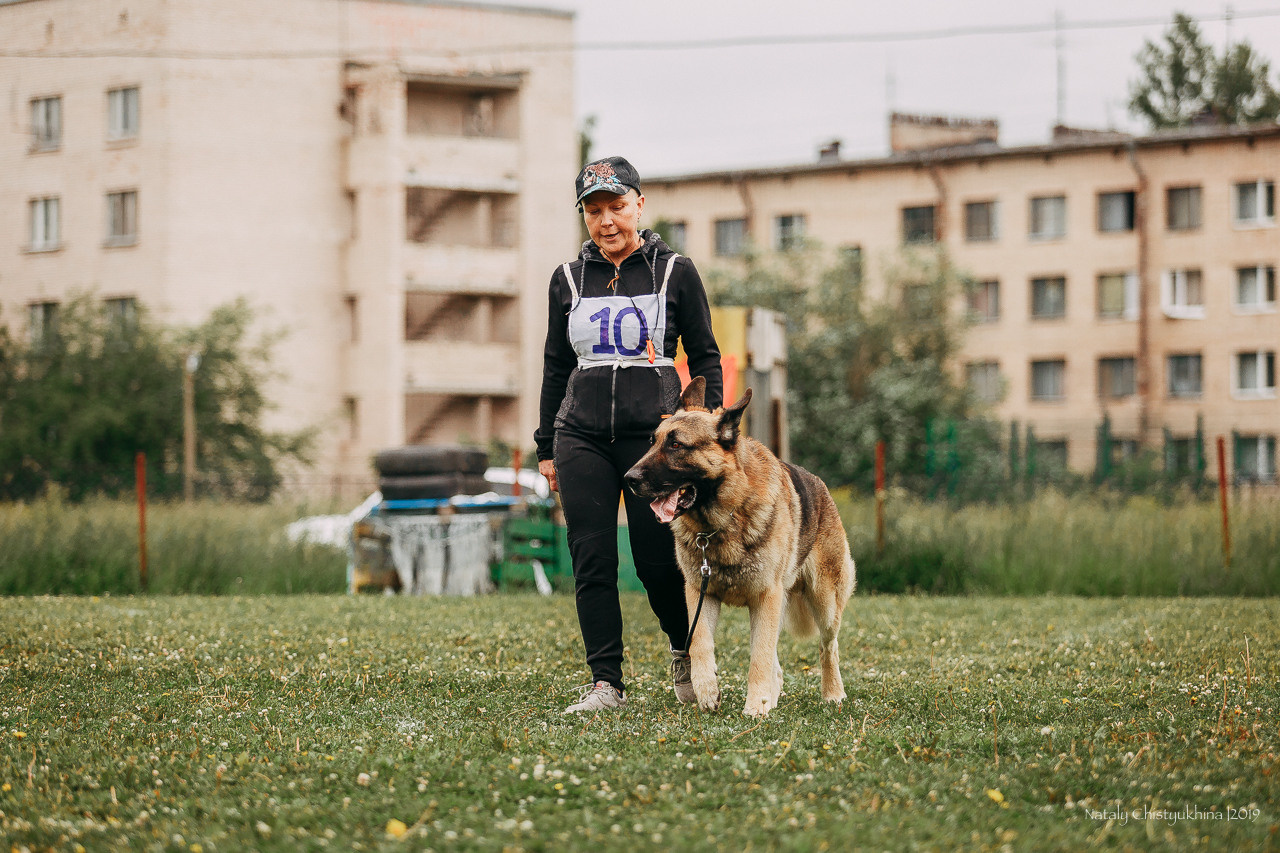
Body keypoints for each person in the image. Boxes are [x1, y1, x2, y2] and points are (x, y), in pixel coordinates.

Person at [535, 156, 723, 714]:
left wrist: (701, 434)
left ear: (639, 204)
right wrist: (547, 447)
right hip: (581, 437)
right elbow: (553, 367)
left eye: (617, 206)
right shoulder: (567, 280)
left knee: (656, 562)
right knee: (591, 559)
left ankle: (683, 649)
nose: (607, 220)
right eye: (594, 211)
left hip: (654, 443)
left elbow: (705, 355)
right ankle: (606, 683)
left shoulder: (676, 272)